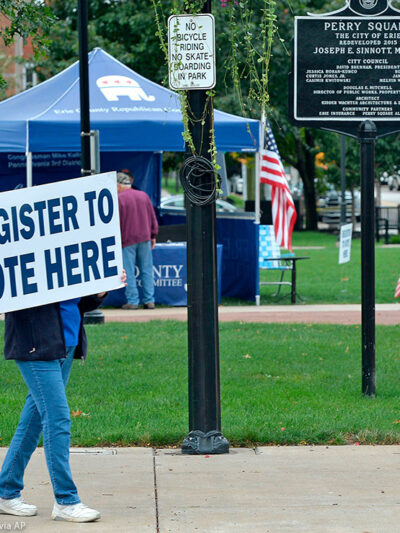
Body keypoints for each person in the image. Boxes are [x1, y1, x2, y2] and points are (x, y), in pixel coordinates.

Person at [0, 282, 124, 522]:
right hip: (35, 344)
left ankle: (6, 490)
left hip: (65, 342)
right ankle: (66, 500)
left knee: (33, 420)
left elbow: (76, 301)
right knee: (57, 418)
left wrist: (98, 292)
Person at [117, 172, 158, 310]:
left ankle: (133, 301)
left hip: (127, 239)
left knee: (128, 271)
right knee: (146, 270)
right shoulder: (143, 196)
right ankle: (149, 300)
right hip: (145, 238)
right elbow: (152, 217)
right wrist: (153, 235)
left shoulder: (119, 199)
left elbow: (117, 222)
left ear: (118, 185)